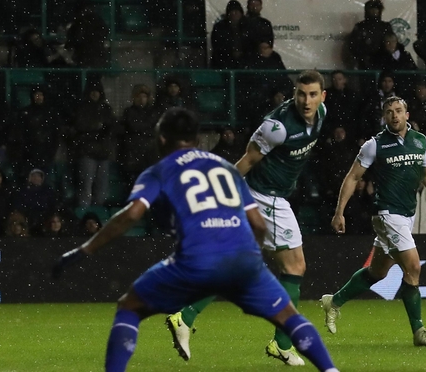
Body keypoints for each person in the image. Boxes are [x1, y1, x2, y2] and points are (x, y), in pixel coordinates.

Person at [52, 108, 339, 372]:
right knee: (289, 317)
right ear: (198, 139)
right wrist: (251, 259)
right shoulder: (224, 167)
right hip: (243, 259)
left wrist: (86, 249)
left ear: (161, 139)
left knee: (130, 306)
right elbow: (256, 223)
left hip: (194, 260)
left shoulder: (160, 170)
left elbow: (131, 215)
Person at [165, 70, 327, 366]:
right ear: (294, 94)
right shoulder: (277, 126)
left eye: (313, 95)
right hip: (264, 196)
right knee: (295, 267)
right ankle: (282, 344)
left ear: (322, 96)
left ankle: (185, 317)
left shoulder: (321, 115)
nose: (306, 101)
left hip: (274, 195)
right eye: (301, 94)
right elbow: (248, 160)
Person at [320, 96, 426, 347]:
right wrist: (339, 212)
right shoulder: (374, 145)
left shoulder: (420, 141)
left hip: (406, 214)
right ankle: (419, 331)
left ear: (407, 115)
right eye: (389, 112)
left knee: (377, 271)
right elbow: (352, 177)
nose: (394, 115)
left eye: (398, 110)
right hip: (387, 213)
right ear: (384, 117)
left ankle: (333, 301)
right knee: (413, 267)